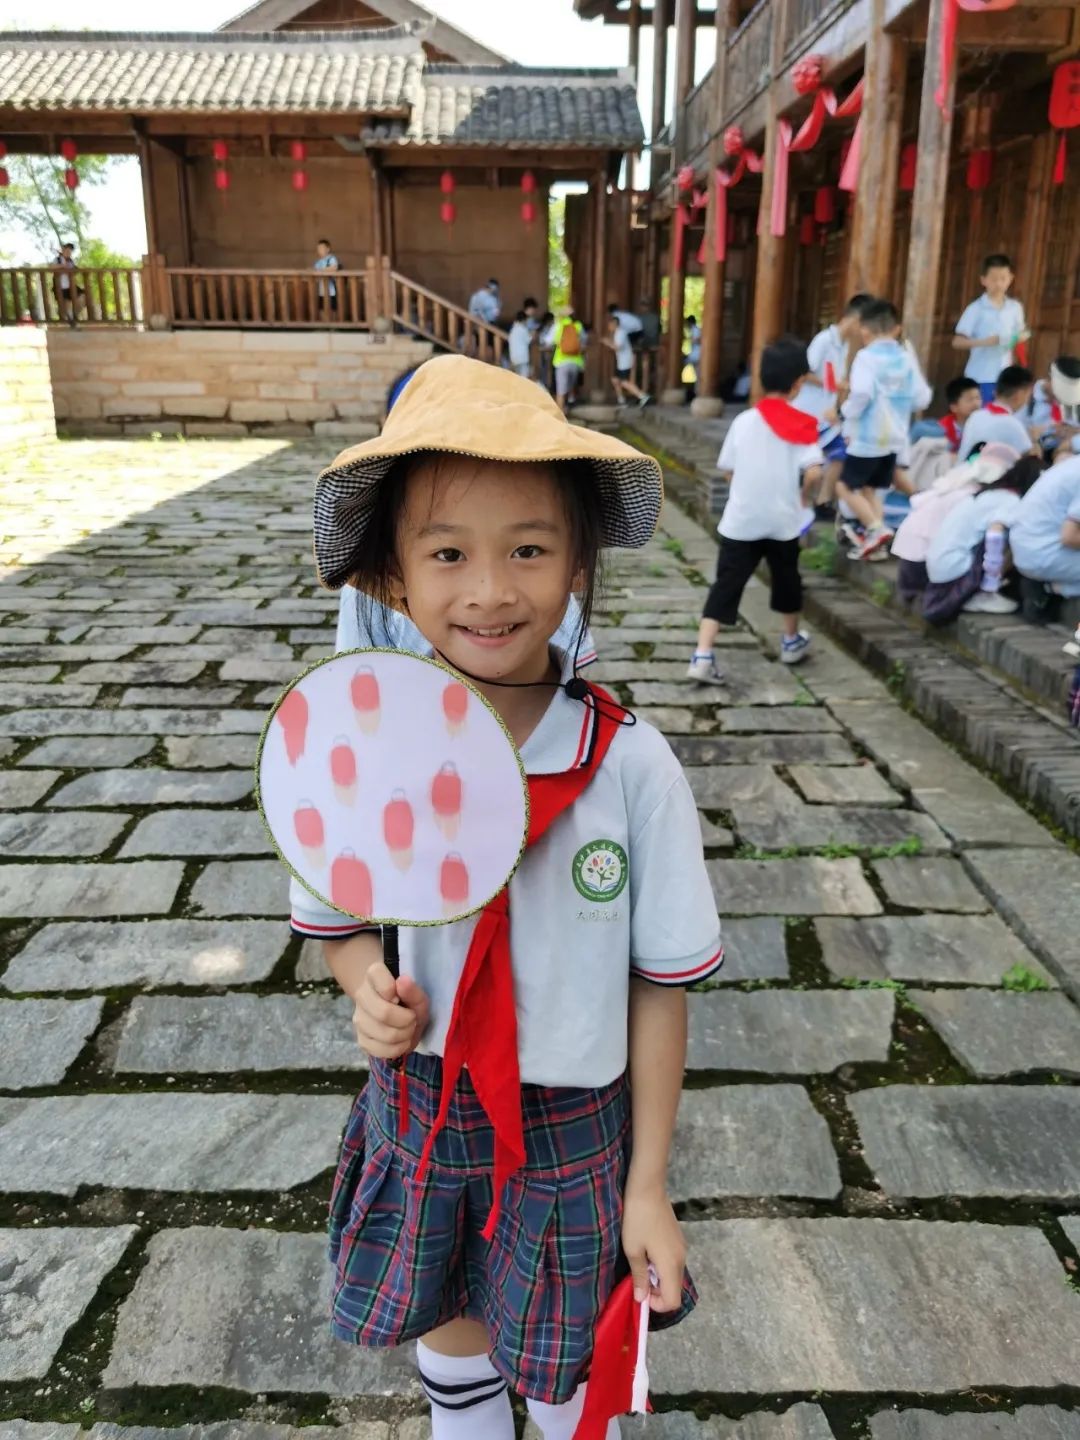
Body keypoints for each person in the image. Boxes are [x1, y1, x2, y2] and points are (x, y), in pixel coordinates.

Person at [290, 355, 722, 1440]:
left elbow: (660, 986)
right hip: (424, 1103)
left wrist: (649, 1184)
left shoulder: (632, 768)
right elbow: (336, 921)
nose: (490, 590)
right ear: (392, 577)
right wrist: (365, 986)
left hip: (573, 1127)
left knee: (568, 1364)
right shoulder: (361, 751)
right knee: (453, 1332)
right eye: (448, 554)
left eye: (529, 549)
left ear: (578, 559)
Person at [686, 337, 823, 682]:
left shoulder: (744, 422)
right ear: (797, 384)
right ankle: (790, 641)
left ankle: (703, 654)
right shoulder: (802, 424)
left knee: (725, 586)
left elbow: (728, 468)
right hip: (783, 522)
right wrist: (804, 496)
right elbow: (815, 471)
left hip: (741, 521)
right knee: (787, 581)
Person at [837, 298, 932, 559]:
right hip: (895, 438)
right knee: (871, 490)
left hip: (868, 438)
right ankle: (876, 546)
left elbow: (862, 394)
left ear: (865, 330)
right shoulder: (905, 357)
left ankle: (876, 529)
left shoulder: (866, 358)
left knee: (844, 487)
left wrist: (844, 412)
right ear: (895, 329)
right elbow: (922, 398)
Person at [890, 443, 1022, 605]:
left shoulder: (955, 482)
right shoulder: (973, 495)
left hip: (909, 558)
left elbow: (916, 501)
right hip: (927, 564)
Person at [923, 454, 1041, 620]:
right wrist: (990, 581)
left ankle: (982, 590)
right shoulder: (1010, 500)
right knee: (1017, 539)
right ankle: (984, 593)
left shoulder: (988, 494)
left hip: (939, 569)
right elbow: (995, 535)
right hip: (958, 569)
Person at [796, 293, 873, 511]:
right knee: (824, 458)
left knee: (839, 454)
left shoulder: (845, 345)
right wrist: (832, 385)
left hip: (824, 414)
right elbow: (803, 372)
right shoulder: (823, 340)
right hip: (807, 412)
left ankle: (821, 501)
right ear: (856, 319)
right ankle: (811, 501)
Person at [952, 253, 1029, 404]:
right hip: (980, 376)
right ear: (983, 280)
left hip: (1005, 378)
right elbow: (957, 342)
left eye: (1003, 279)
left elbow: (1022, 332)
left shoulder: (1015, 308)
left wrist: (1019, 337)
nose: (999, 284)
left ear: (1010, 279)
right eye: (994, 279)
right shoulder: (975, 309)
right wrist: (985, 342)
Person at [1008, 454, 1080, 597]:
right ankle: (1057, 589)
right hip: (1045, 554)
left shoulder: (1073, 463)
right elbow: (1070, 537)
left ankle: (1058, 588)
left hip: (1027, 549)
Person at [957, 365, 1037, 459]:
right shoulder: (1013, 424)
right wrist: (1034, 439)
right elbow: (1032, 460)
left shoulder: (975, 416)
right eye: (1028, 395)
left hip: (962, 471)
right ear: (1019, 395)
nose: (1027, 400)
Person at [604, 310, 651, 410]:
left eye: (609, 325)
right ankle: (621, 400)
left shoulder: (621, 333)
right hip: (622, 361)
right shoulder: (617, 333)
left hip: (625, 361)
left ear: (614, 324)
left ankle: (642, 396)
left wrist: (607, 342)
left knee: (624, 382)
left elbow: (617, 347)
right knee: (615, 380)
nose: (608, 327)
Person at [550, 310, 586, 415]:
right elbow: (584, 341)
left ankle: (560, 415)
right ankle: (569, 403)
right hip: (576, 362)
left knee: (560, 390)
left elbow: (553, 340)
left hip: (561, 362)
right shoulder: (578, 325)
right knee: (570, 387)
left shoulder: (559, 325)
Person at [53, 240, 82, 324]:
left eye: (70, 251)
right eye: (67, 250)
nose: (69, 252)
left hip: (71, 285)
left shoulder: (71, 261)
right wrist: (62, 266)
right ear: (63, 250)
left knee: (82, 297)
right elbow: (51, 267)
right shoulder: (57, 259)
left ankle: (72, 316)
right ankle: (70, 320)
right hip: (60, 286)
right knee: (65, 304)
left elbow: (75, 270)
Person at [313, 238, 340, 315]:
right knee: (321, 307)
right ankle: (323, 323)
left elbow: (334, 268)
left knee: (332, 307)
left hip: (331, 289)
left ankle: (333, 323)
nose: (320, 250)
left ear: (327, 249)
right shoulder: (318, 261)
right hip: (321, 289)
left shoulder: (331, 258)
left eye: (322, 248)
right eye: (318, 248)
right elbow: (315, 270)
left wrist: (321, 270)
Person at [508, 310, 533, 379]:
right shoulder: (523, 329)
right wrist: (533, 335)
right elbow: (529, 340)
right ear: (524, 320)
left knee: (516, 378)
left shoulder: (512, 330)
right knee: (524, 378)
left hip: (514, 357)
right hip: (523, 357)